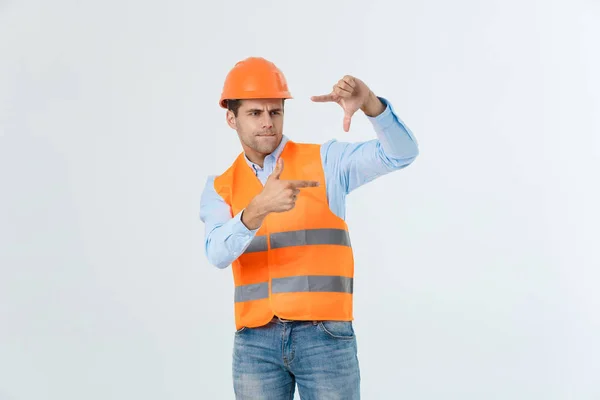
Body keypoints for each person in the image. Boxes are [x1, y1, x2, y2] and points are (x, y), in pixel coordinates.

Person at [199, 56, 419, 399]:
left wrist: (372, 105)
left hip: (324, 336)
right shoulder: (220, 187)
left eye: (275, 112)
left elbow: (401, 154)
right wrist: (255, 210)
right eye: (255, 113)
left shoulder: (327, 162)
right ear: (231, 118)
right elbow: (216, 253)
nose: (268, 123)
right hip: (254, 342)